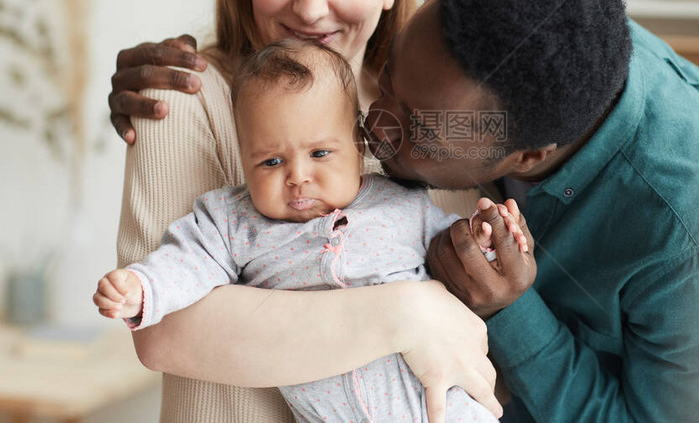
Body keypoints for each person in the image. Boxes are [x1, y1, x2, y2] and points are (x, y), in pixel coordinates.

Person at [106, 0, 500, 422]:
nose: (311, 7)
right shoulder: (182, 97)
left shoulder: (445, 118)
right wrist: (408, 314)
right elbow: (167, 332)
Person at [364, 0, 699, 422]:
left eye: (422, 133)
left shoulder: (695, 242)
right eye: (389, 73)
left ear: (529, 156)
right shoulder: (541, 29)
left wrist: (512, 312)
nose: (375, 124)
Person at [97, 40, 524, 422]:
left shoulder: (401, 202)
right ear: (243, 159)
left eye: (320, 153)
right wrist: (143, 286)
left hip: (440, 409)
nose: (298, 176)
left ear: (358, 149)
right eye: (270, 161)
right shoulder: (231, 220)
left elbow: (456, 247)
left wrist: (486, 237)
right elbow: (186, 262)